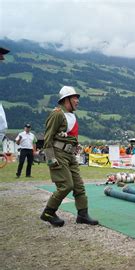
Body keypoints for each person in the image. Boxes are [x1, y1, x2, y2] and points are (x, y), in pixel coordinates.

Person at [40, 86, 99, 227]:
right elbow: (47, 138)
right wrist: (50, 158)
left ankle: (82, 215)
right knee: (66, 185)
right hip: (58, 154)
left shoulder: (72, 115)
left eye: (77, 98)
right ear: (66, 99)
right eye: (74, 98)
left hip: (70, 155)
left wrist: (75, 147)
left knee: (79, 186)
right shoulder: (57, 114)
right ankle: (48, 212)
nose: (77, 101)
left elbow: (71, 137)